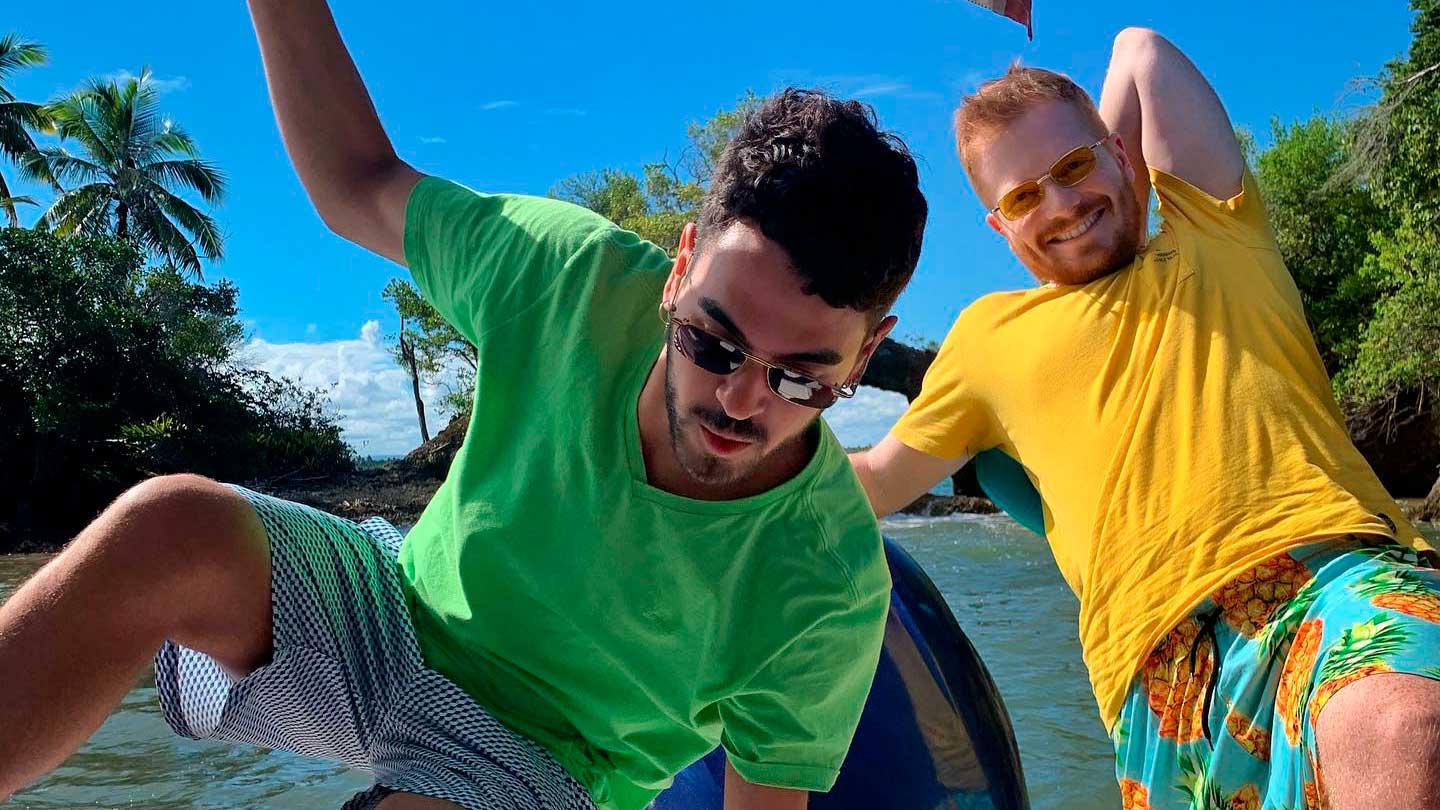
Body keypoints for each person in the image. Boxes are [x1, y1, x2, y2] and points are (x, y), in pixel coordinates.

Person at [0, 2, 931, 808]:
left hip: (552, 758)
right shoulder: (565, 275)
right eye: (712, 341)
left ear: (868, 349)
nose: (739, 398)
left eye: (799, 379)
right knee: (170, 526)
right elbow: (359, 183)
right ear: (680, 266)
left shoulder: (828, 581)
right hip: (395, 609)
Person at [851, 27, 1440, 809]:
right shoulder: (986, 339)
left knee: (1400, 722)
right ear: (998, 226)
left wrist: (1107, 167)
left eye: (1074, 167)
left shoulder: (1213, 233)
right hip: (1157, 686)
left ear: (1122, 153)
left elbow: (1141, 52)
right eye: (1023, 196)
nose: (1060, 205)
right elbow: (874, 483)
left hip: (1328, 583)